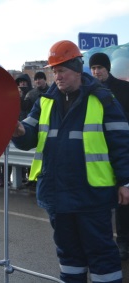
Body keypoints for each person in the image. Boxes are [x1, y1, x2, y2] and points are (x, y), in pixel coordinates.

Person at [12, 40, 129, 283]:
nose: (57, 76)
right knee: (68, 257)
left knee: (102, 256)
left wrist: (126, 181)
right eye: (54, 71)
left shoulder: (103, 98)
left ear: (77, 69)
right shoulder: (45, 101)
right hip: (58, 195)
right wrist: (19, 131)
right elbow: (30, 132)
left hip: (92, 196)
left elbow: (121, 143)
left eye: (61, 70)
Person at [90, 52, 129, 261]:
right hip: (98, 154)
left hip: (122, 150)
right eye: (94, 68)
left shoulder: (124, 89)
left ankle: (123, 241)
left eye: (100, 68)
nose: (97, 72)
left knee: (124, 199)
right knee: (104, 200)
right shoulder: (89, 92)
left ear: (108, 68)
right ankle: (106, 242)